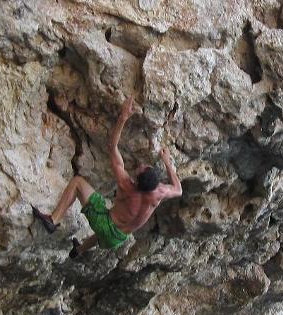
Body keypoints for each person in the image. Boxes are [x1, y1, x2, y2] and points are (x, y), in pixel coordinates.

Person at [34, 96, 182, 254]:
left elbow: (112, 146)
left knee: (78, 182)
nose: (141, 165)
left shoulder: (126, 185)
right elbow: (178, 189)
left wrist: (123, 117)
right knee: (108, 228)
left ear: (136, 182)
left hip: (105, 224)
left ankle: (53, 220)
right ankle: (80, 250)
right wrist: (167, 162)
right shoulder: (159, 193)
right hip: (117, 239)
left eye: (140, 168)